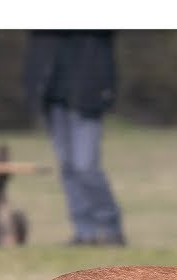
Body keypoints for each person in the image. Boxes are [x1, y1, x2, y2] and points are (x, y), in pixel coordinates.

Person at [23, 31, 125, 246]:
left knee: (85, 166)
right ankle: (84, 232)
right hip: (50, 87)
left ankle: (110, 227)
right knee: (67, 166)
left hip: (89, 89)